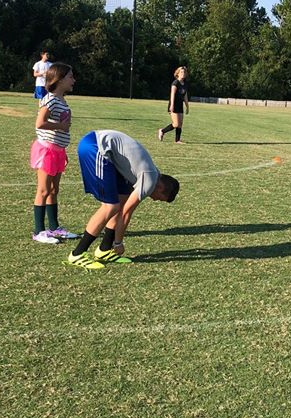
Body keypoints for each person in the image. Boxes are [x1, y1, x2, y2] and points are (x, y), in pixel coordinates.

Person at [67, 129, 180, 269]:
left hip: (105, 149)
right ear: (161, 189)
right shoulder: (149, 180)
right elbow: (126, 213)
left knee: (121, 201)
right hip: (95, 146)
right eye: (160, 199)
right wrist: (118, 243)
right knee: (111, 206)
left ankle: (104, 250)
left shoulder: (151, 174)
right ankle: (77, 254)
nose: (155, 200)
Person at [30, 62, 80, 244]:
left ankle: (54, 228)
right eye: (70, 77)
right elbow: (39, 123)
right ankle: (38, 231)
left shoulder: (61, 100)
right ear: (59, 79)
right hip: (47, 150)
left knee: (53, 190)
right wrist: (60, 126)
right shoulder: (50, 99)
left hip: (58, 151)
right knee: (43, 190)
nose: (73, 80)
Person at [158, 66, 189, 143]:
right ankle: (162, 131)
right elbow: (172, 94)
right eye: (181, 72)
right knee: (176, 124)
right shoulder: (175, 83)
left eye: (184, 72)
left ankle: (177, 140)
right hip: (174, 105)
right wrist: (171, 105)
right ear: (177, 73)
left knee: (180, 124)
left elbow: (185, 95)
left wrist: (187, 106)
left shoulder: (184, 84)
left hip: (180, 105)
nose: (183, 73)